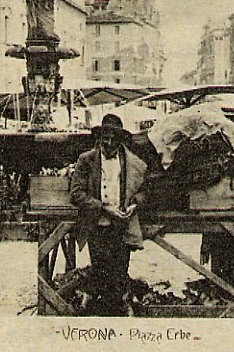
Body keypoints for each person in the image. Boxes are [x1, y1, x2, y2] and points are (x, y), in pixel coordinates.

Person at [70, 114, 147, 316]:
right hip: (97, 225)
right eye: (106, 138)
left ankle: (116, 314)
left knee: (120, 272)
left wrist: (134, 204)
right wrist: (104, 207)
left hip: (122, 225)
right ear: (100, 138)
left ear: (121, 139)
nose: (109, 143)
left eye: (114, 139)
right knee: (101, 270)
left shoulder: (133, 163)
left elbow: (145, 190)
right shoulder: (86, 160)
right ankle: (102, 317)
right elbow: (76, 194)